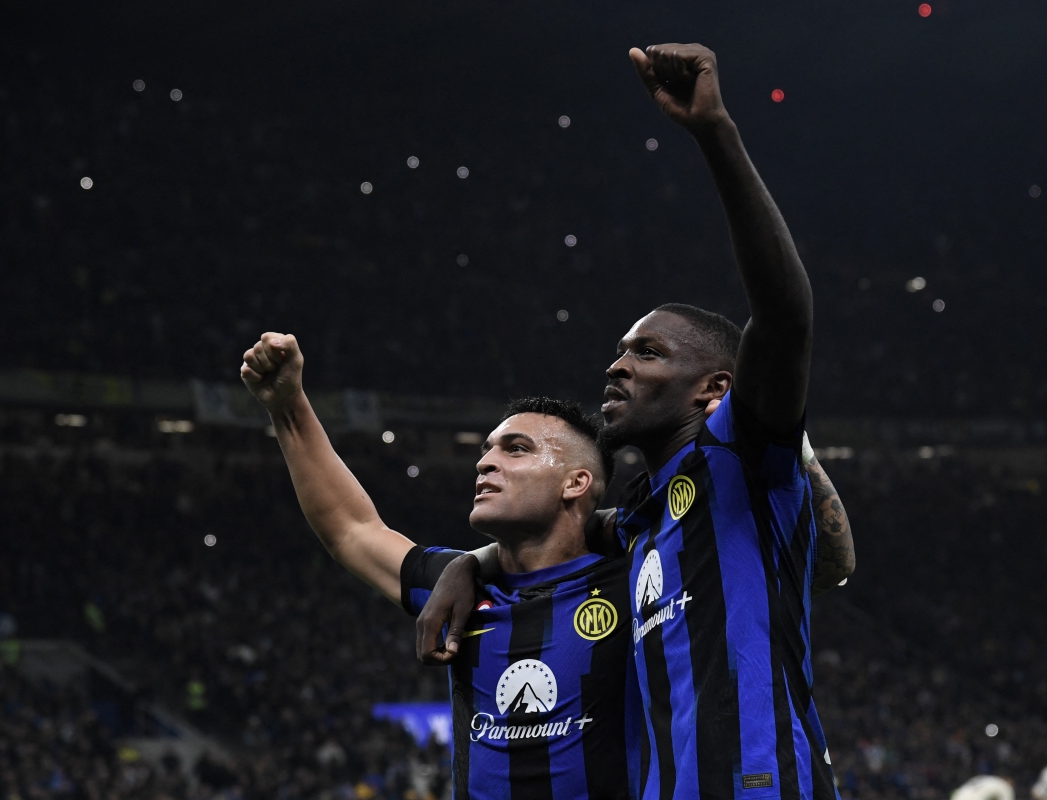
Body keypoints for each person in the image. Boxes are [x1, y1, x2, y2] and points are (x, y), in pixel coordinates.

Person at [416, 43, 854, 800]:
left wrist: (715, 134)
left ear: (712, 389)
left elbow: (785, 316)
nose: (618, 367)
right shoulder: (639, 520)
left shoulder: (740, 459)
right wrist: (468, 563)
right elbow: (546, 537)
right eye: (620, 351)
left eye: (648, 354)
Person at [239, 331, 640, 799]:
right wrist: (288, 406)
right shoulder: (459, 588)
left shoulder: (636, 577)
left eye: (515, 449)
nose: (485, 463)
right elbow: (351, 530)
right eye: (487, 448)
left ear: (576, 483)